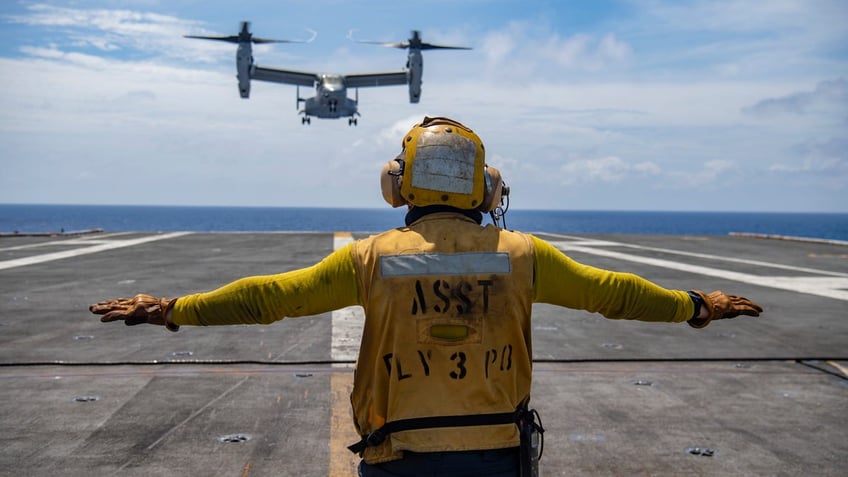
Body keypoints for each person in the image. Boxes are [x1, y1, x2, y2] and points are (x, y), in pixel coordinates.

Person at [90, 116, 763, 477]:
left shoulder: (369, 257)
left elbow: (267, 297)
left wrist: (172, 307)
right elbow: (613, 293)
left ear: (398, 186)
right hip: (496, 455)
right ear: (488, 190)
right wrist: (695, 303)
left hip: (397, 457)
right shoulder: (522, 256)